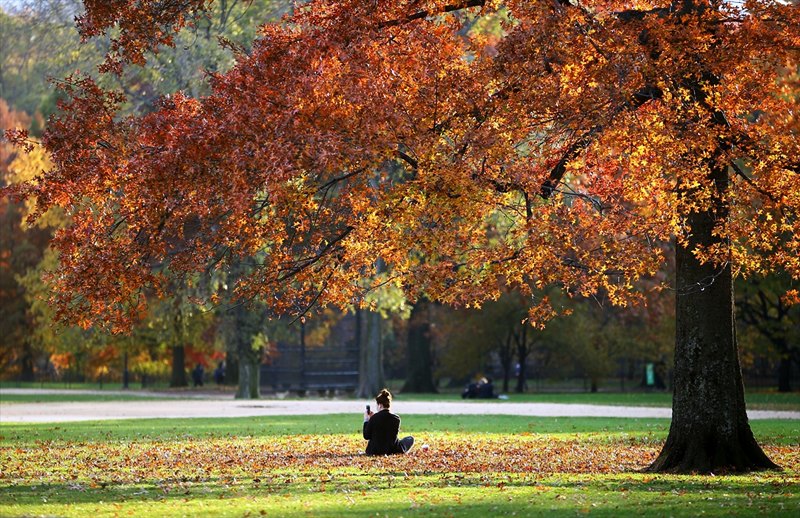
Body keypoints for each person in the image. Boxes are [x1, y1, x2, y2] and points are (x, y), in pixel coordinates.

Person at [363, 388, 414, 455]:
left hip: (374, 451)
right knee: (410, 439)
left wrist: (366, 420)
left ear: (380, 405)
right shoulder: (396, 418)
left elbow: (366, 436)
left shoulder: (374, 418)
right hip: (391, 450)